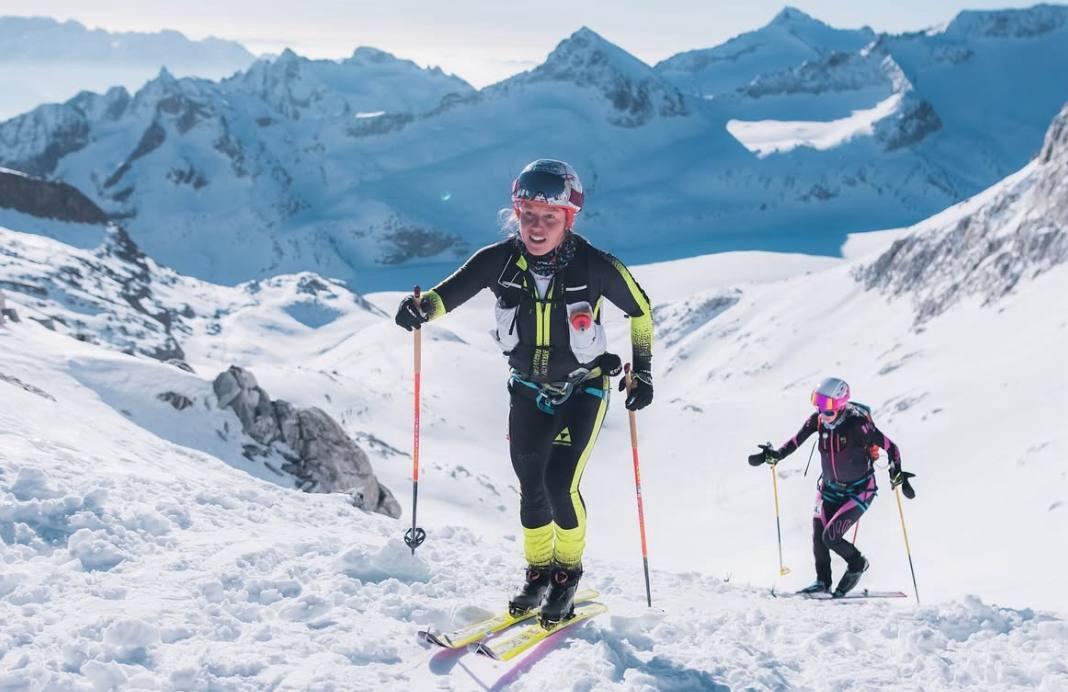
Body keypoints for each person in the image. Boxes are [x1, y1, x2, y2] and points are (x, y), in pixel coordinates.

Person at [394, 159, 654, 626]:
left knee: (560, 484)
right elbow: (446, 296)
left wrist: (645, 371)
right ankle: (538, 573)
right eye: (528, 215)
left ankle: (566, 575)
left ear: (568, 218)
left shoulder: (596, 266)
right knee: (531, 488)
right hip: (527, 391)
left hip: (583, 391)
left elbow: (641, 310)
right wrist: (418, 310)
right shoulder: (498, 261)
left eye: (548, 217)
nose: (536, 226)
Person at [748, 377, 915, 596]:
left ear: (840, 405)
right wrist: (775, 455)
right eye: (818, 404)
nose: (822, 413)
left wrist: (897, 470)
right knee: (818, 535)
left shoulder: (858, 425)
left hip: (859, 491)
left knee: (831, 536)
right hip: (828, 489)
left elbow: (891, 447)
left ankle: (857, 564)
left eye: (827, 408)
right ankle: (822, 583)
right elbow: (796, 441)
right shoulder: (818, 420)